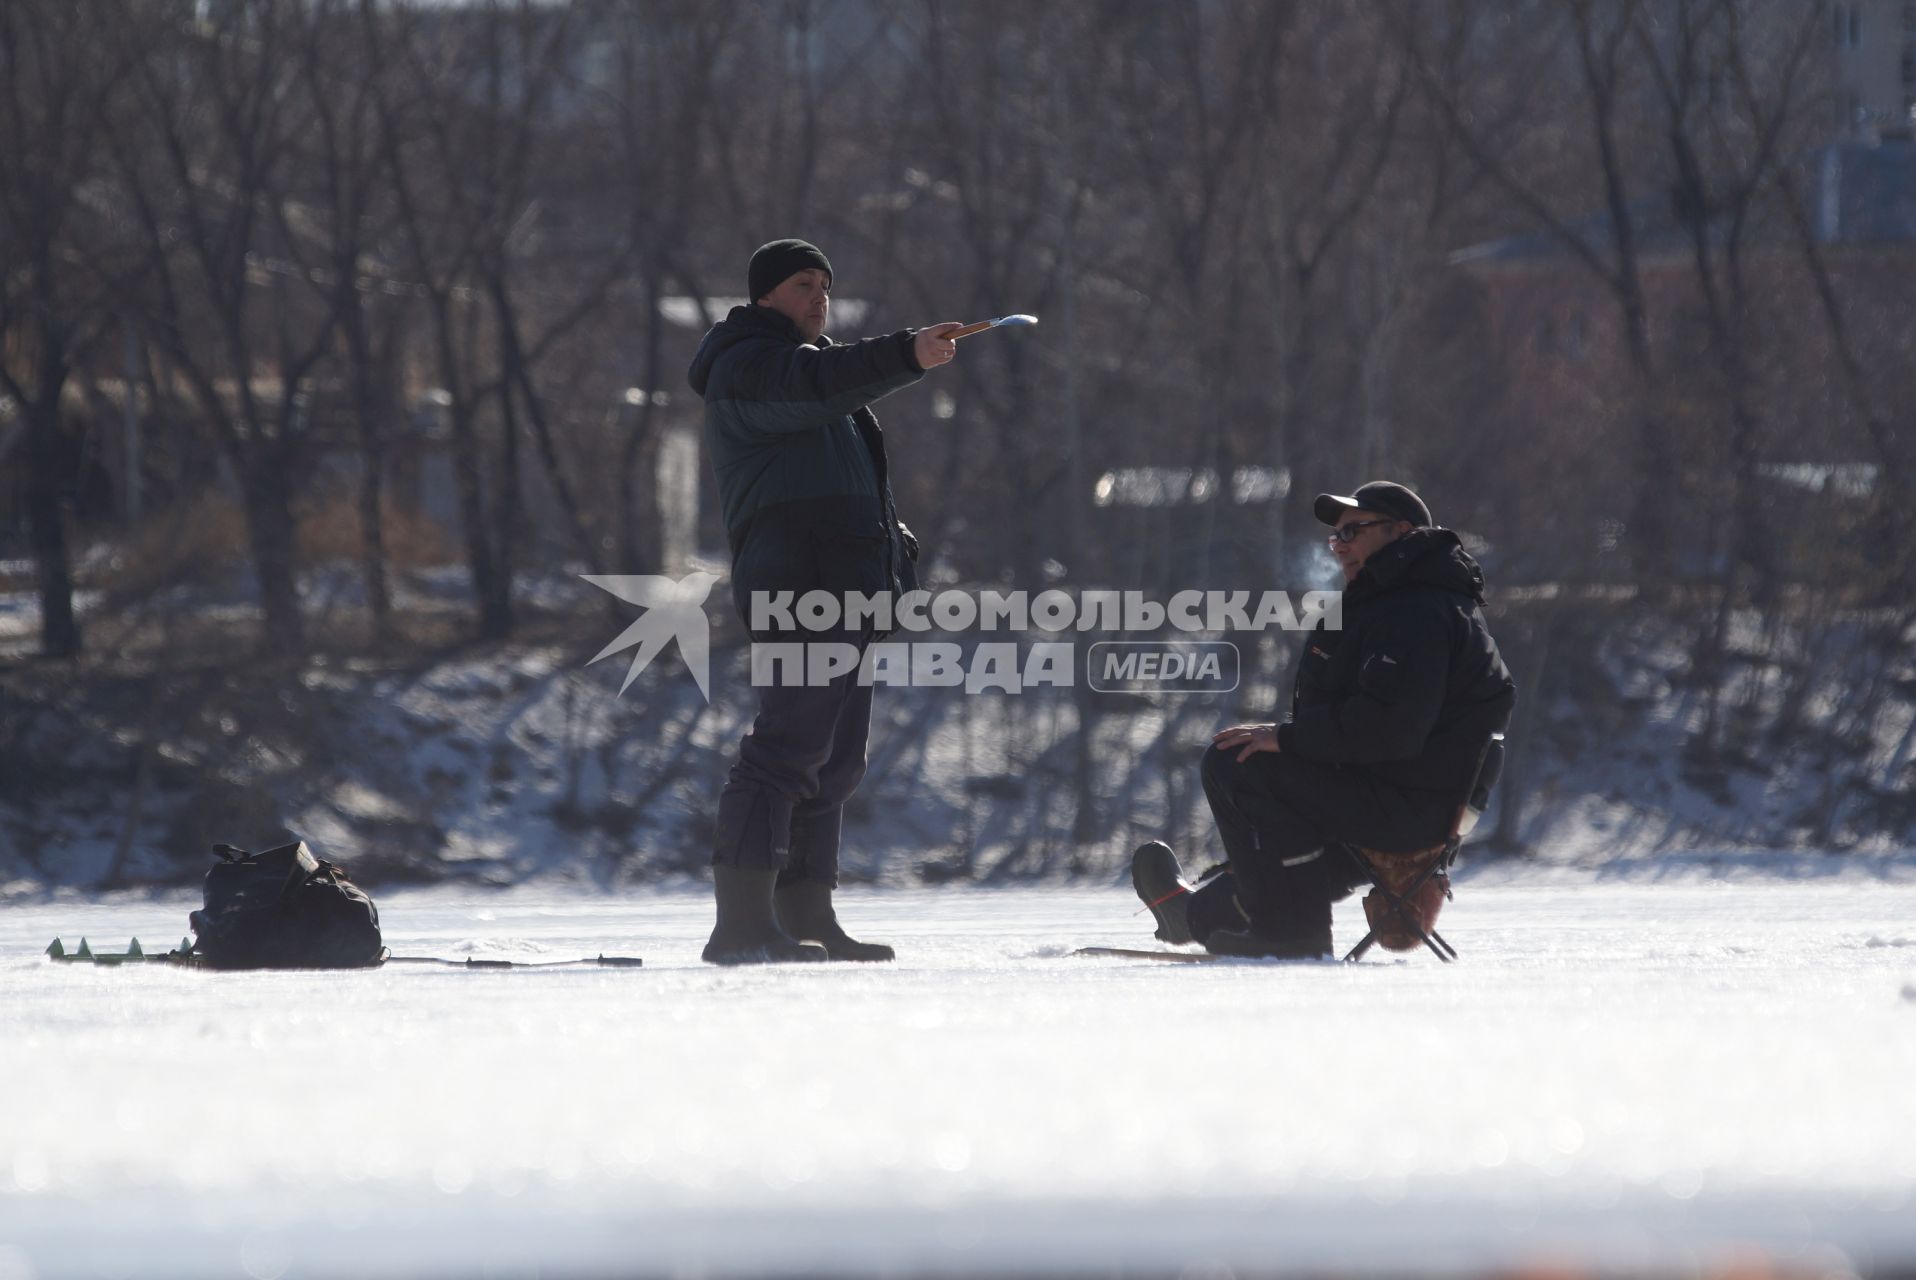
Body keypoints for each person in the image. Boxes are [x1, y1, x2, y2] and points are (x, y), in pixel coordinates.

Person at [687, 238, 961, 964]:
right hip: (797, 588)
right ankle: (742, 925)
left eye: (825, 285)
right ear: (764, 296)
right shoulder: (749, 367)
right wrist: (907, 352)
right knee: (786, 751)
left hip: (844, 592)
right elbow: (818, 382)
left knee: (835, 761)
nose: (820, 296)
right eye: (804, 284)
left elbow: (846, 472)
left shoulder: (812, 376)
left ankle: (806, 916)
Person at [1132, 481, 1517, 959]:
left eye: (1353, 531)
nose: (1340, 546)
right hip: (1403, 802)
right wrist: (1295, 742)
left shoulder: (1417, 612)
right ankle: (1190, 914)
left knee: (1237, 761)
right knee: (1268, 865)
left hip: (1402, 810)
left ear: (1401, 533)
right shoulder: (1400, 603)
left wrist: (1287, 740)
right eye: (1336, 537)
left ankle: (1291, 933)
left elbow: (1391, 728)